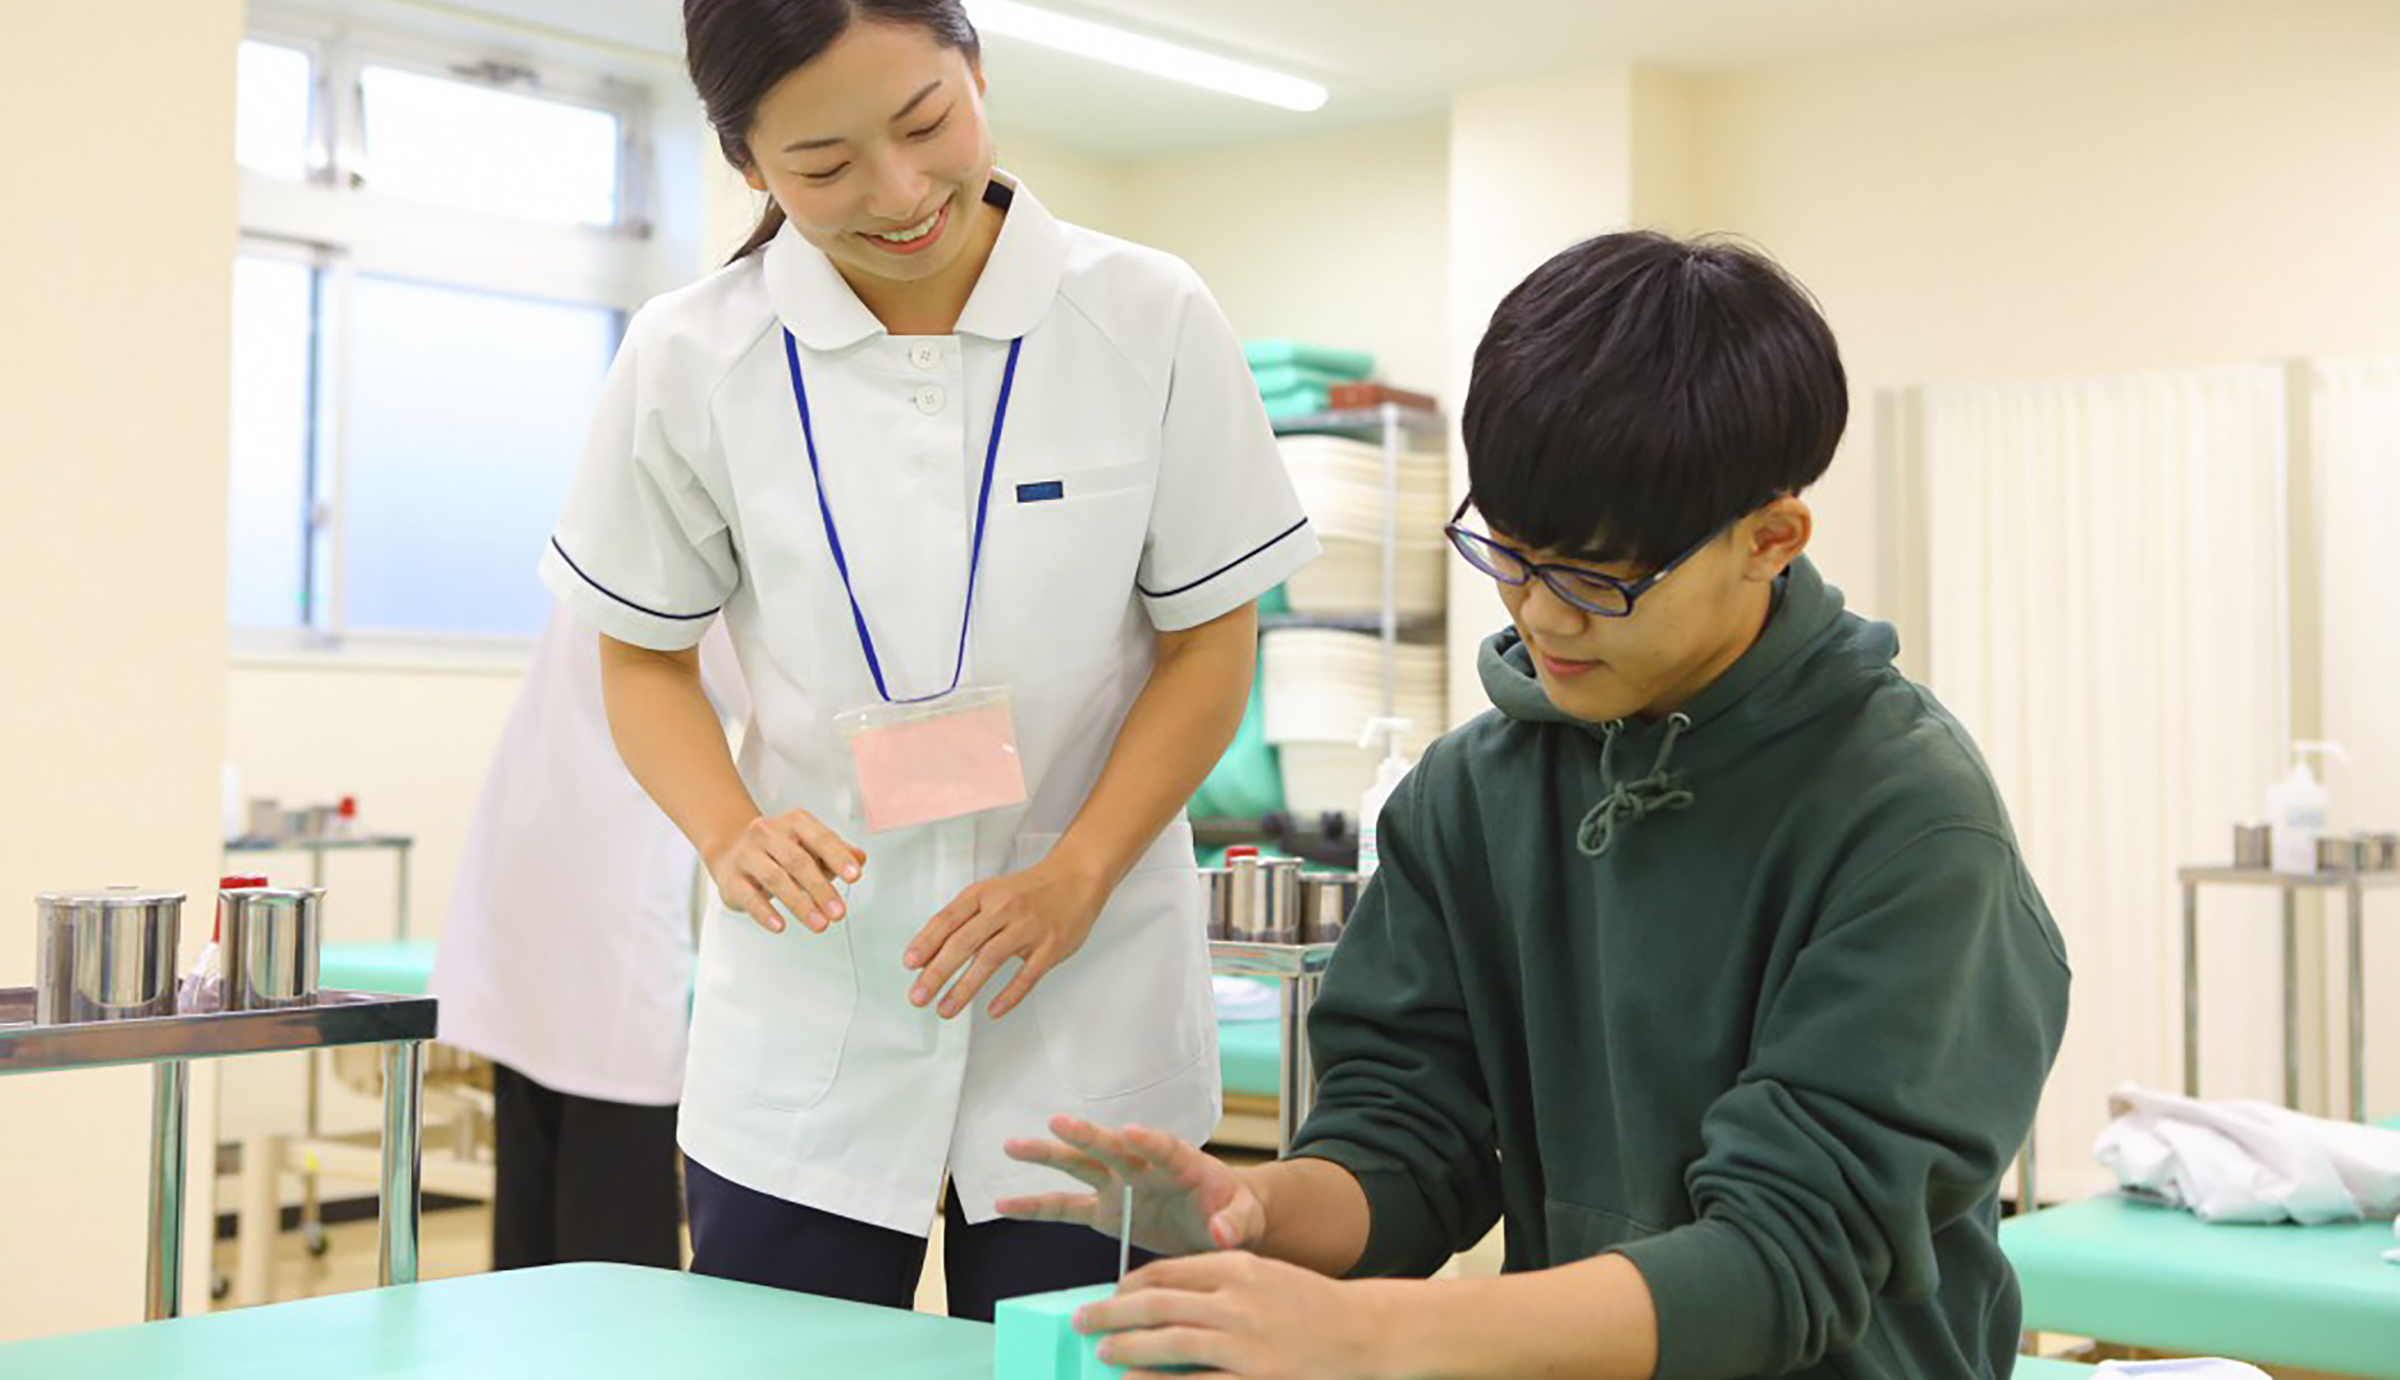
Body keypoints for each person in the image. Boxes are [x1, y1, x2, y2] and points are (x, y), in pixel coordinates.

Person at [998, 231, 2073, 1378]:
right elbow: (1410, 1148)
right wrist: (1261, 1207)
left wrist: (1375, 1336)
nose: (1544, 617)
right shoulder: (1471, 796)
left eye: (1598, 580)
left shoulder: (1908, 821)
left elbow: (1782, 1259)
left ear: (1771, 540)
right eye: (1509, 555)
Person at [537, 0, 1317, 1322]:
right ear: (747, 164)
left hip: (1090, 999)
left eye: (926, 124)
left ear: (977, 71)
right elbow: (642, 659)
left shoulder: (1146, 315)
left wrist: (1077, 871)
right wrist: (726, 832)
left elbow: (1208, 642)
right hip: (813, 1021)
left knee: (1086, 1359)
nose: (900, 195)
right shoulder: (691, 356)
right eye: (825, 167)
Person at [429, 602, 743, 1271]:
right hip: (608, 900)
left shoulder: (611, 553)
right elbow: (790, 692)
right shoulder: (700, 553)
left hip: (541, 889)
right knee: (611, 1222)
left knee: (535, 1206)